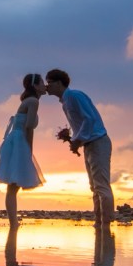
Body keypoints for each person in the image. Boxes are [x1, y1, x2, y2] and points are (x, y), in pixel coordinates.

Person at [44, 69, 114, 228]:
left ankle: (106, 224)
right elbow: (82, 123)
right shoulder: (65, 101)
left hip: (98, 141)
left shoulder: (74, 96)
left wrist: (77, 140)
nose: (47, 87)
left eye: (50, 83)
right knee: (94, 186)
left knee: (101, 185)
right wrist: (75, 140)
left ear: (59, 83)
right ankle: (99, 223)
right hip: (89, 144)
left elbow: (88, 119)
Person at [0, 73, 47, 229]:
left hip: (15, 140)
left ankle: (13, 222)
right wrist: (29, 150)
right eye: (42, 83)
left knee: (12, 187)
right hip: (19, 142)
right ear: (35, 86)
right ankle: (13, 223)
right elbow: (29, 127)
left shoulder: (29, 101)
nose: (45, 86)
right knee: (12, 186)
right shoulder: (33, 101)